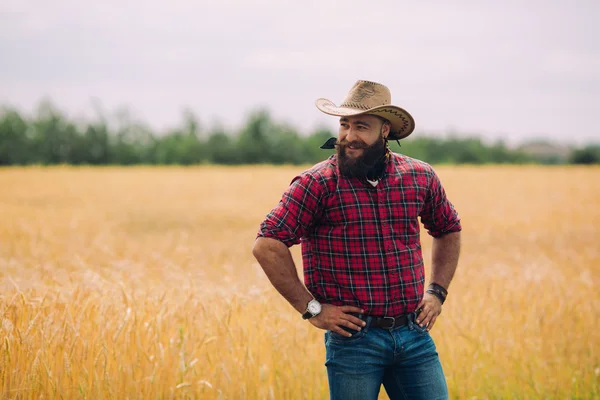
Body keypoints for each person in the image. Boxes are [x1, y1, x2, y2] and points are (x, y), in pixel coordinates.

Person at [252, 80, 462, 400]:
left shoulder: (420, 177)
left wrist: (436, 292)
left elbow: (447, 228)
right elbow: (267, 244)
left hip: (414, 335)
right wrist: (312, 309)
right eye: (344, 124)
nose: (349, 136)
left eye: (361, 126)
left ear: (385, 131)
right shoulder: (316, 184)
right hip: (354, 342)